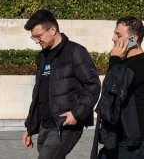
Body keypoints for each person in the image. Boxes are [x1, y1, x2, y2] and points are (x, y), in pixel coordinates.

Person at [22, 9, 100, 158]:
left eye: (38, 36)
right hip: (44, 127)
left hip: (63, 127)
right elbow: (39, 94)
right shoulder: (42, 57)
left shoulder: (75, 52)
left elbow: (93, 85)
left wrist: (77, 114)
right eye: (34, 38)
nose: (37, 41)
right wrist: (30, 127)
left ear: (52, 30)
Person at [91, 16, 144, 158]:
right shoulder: (124, 64)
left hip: (134, 142)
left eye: (118, 35)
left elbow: (111, 92)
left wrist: (114, 59)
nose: (113, 38)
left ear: (133, 39)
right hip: (118, 140)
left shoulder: (142, 65)